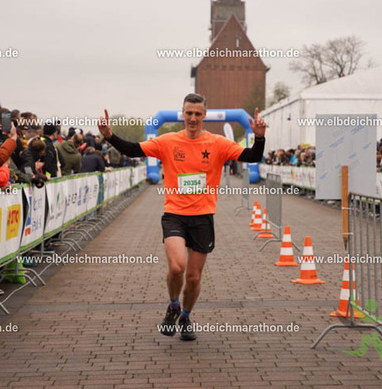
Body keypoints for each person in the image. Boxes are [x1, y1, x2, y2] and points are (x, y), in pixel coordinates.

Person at [98, 93, 265, 341]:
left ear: (204, 115)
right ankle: (173, 305)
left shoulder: (218, 143)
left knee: (193, 277)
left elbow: (252, 157)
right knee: (177, 267)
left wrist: (259, 137)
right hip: (175, 214)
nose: (193, 118)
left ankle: (185, 317)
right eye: (189, 113)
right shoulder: (168, 141)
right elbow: (133, 150)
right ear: (182, 114)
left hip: (203, 217)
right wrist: (109, 136)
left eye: (198, 114)